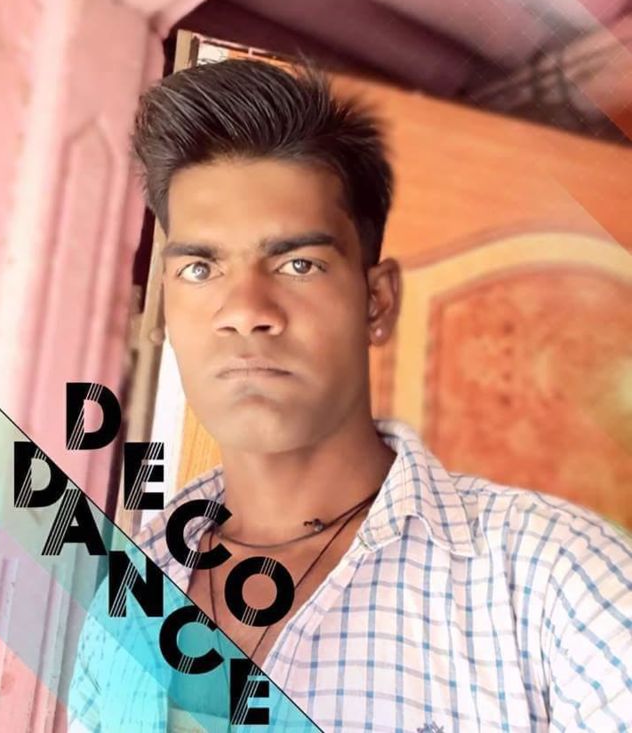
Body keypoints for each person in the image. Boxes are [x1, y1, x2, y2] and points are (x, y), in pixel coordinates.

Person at [70, 58, 632, 732]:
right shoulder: (128, 594)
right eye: (199, 268)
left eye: (297, 263)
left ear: (377, 301)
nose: (245, 310)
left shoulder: (551, 578)